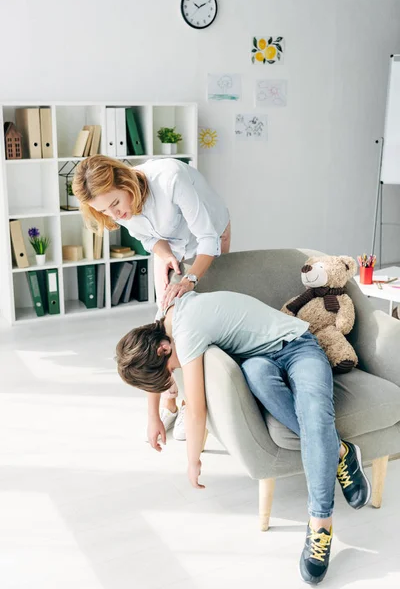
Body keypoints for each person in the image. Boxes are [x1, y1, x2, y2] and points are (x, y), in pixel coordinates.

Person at [115, 290, 371, 585]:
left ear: (163, 349)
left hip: (298, 345)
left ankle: (320, 524)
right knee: (259, 377)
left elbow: (197, 410)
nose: (176, 372)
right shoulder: (164, 319)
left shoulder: (185, 334)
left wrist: (193, 461)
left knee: (315, 413)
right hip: (258, 361)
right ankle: (339, 450)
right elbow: (150, 362)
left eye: (171, 369)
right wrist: (153, 416)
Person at [72, 155, 230, 445]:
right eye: (104, 210)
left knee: (195, 327)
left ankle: (190, 405)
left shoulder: (170, 179)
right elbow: (147, 239)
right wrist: (166, 254)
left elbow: (209, 239)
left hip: (210, 237)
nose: (115, 215)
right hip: (170, 242)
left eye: (116, 205)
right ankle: (168, 399)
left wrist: (190, 279)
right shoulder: (117, 206)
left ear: (125, 181)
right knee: (162, 320)